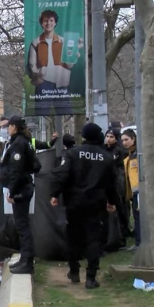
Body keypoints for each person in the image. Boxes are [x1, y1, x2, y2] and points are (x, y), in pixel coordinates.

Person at [50, 123, 120, 289]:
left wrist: (55, 194)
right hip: (96, 203)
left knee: (73, 236)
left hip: (74, 202)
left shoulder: (73, 153)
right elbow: (111, 183)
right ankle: (91, 277)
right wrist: (112, 202)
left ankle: (74, 271)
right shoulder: (106, 157)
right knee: (93, 239)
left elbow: (62, 175)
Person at [1, 116, 41, 274]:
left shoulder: (18, 144)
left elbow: (15, 170)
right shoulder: (24, 142)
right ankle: (25, 259)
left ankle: (27, 262)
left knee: (22, 227)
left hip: (20, 190)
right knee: (22, 226)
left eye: (8, 126)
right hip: (24, 187)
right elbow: (36, 165)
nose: (7, 129)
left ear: (14, 127)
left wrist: (12, 191)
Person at [27, 9, 83, 115]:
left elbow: (69, 64)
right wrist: (38, 75)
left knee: (66, 111)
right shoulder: (36, 42)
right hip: (43, 83)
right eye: (45, 21)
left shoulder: (63, 41)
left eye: (51, 20)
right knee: (41, 112)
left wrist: (74, 54)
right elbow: (32, 64)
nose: (48, 23)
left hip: (61, 83)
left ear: (55, 23)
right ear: (42, 23)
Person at [104, 128, 129, 246]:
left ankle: (123, 235)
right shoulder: (105, 149)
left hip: (117, 179)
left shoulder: (117, 150)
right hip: (110, 179)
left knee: (120, 207)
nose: (108, 139)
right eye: (107, 136)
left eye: (111, 137)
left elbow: (110, 160)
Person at [121, 129, 140, 250]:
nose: (124, 142)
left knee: (139, 218)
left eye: (126, 139)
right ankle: (139, 242)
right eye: (122, 140)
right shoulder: (128, 155)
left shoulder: (137, 154)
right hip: (133, 192)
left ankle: (140, 243)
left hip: (139, 192)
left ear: (133, 139)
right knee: (137, 218)